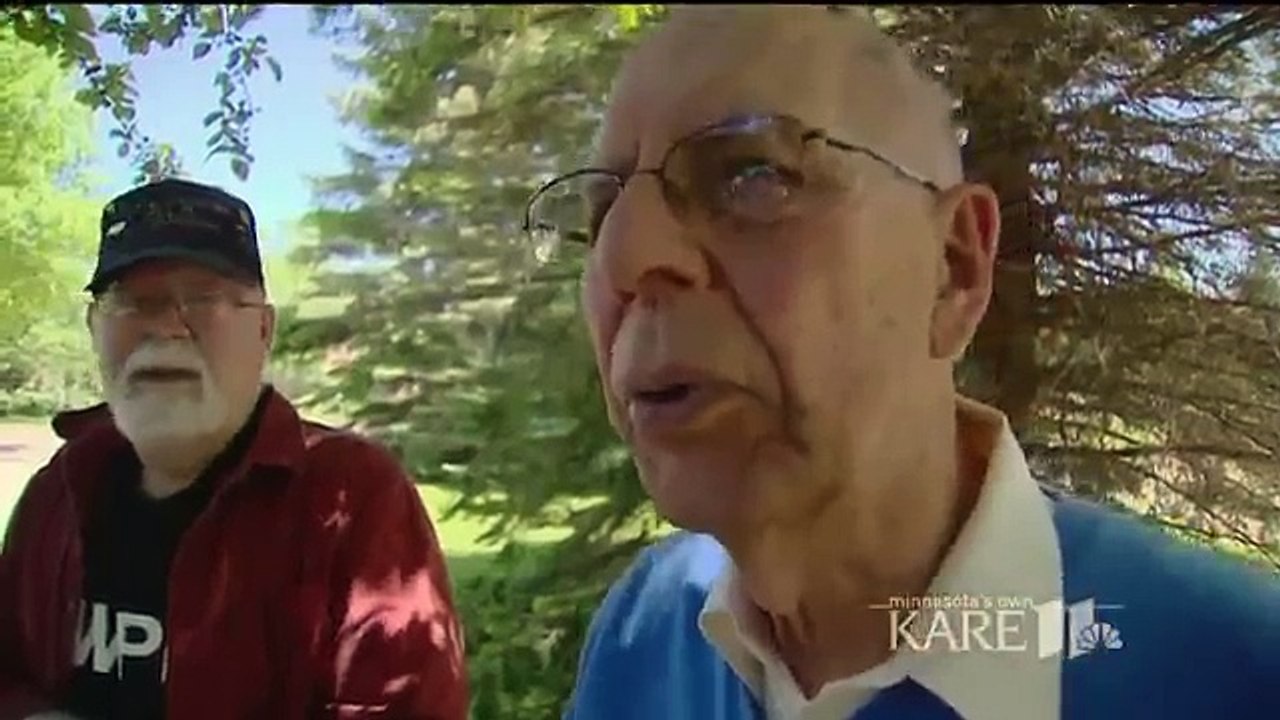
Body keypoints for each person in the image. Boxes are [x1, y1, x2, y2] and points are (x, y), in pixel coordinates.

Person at [521, 6, 1280, 720]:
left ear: (952, 269)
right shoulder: (639, 634)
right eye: (601, 215)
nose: (626, 256)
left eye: (753, 176)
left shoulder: (1239, 671)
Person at [0, 178, 469, 720]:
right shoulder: (56, 490)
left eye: (204, 299)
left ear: (264, 329)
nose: (166, 329)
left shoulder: (353, 498)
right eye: (134, 302)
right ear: (94, 327)